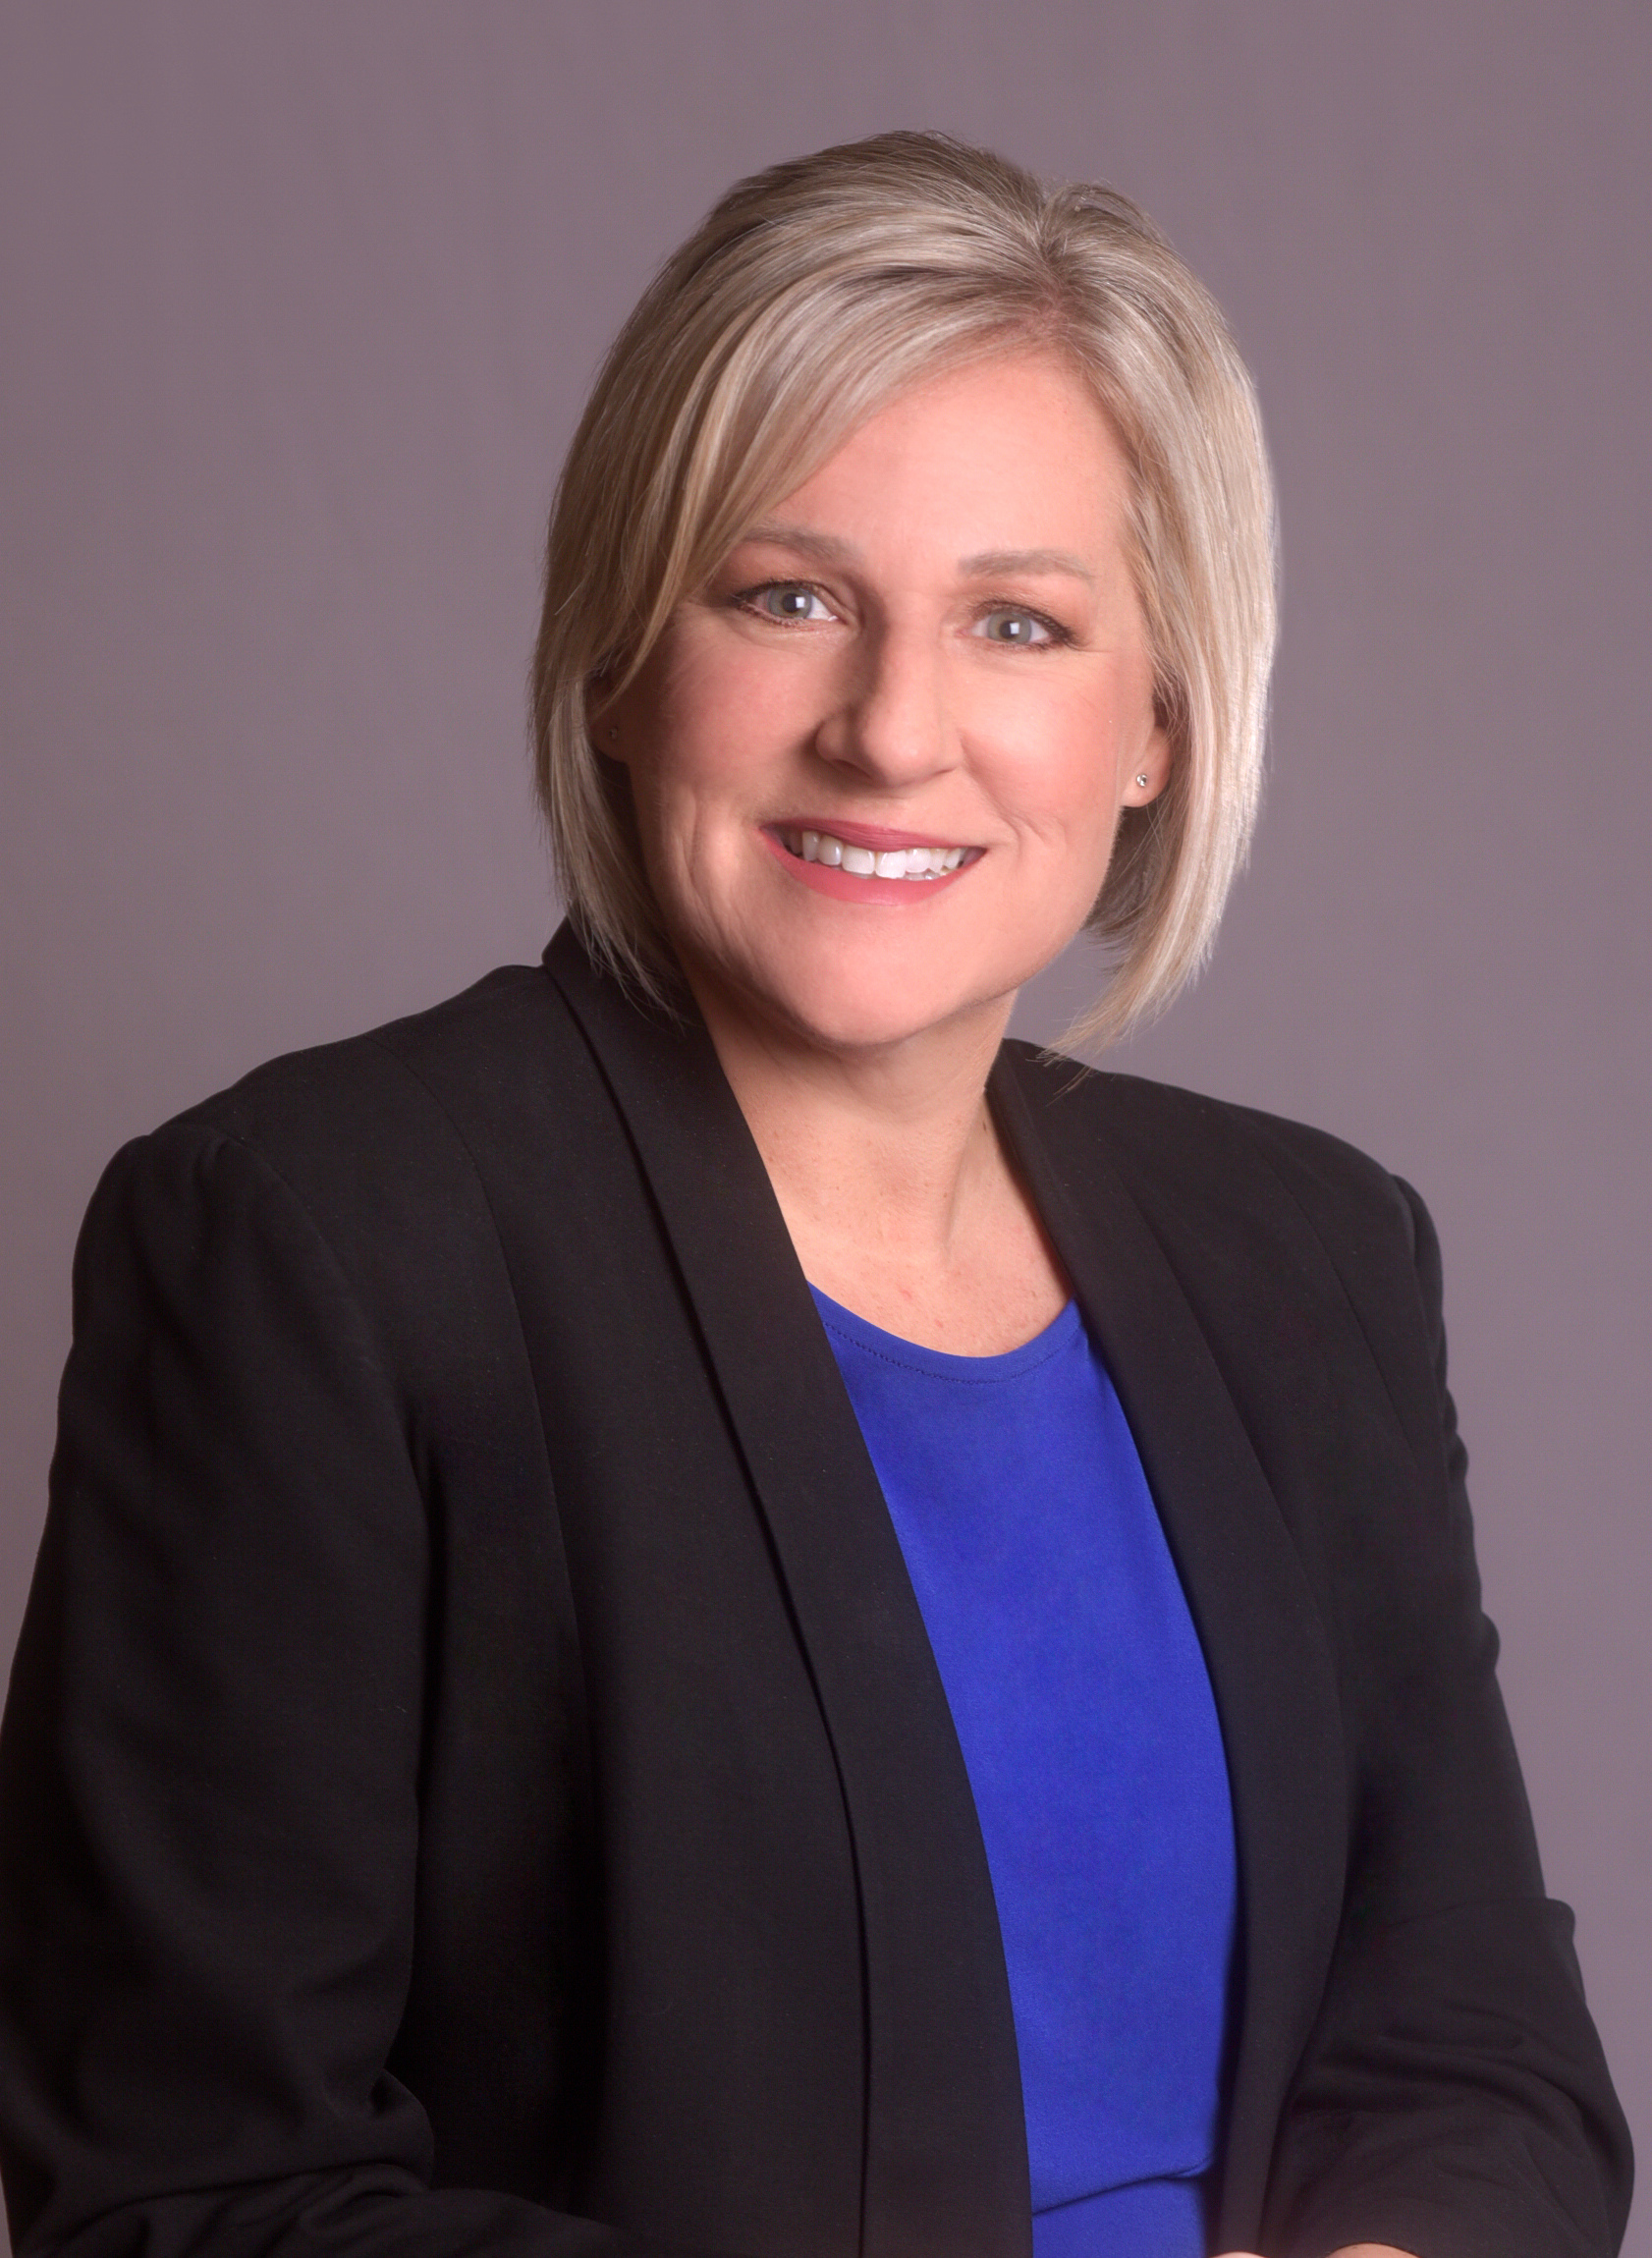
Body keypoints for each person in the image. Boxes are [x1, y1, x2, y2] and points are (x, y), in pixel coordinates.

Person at [0, 132, 1630, 2258]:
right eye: (787, 597)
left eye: (1020, 623)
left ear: (1155, 719)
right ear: (617, 657)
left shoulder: (1306, 1253)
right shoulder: (316, 1243)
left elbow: (1478, 2058)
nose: (891, 728)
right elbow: (184, 2197)